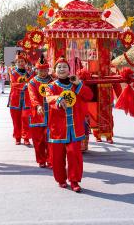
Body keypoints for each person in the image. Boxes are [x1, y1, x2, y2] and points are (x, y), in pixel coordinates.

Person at [46, 57, 93, 192]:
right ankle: (61, 179)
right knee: (57, 156)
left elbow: (89, 96)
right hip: (57, 128)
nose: (62, 69)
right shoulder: (51, 86)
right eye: (59, 67)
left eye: (64, 67)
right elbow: (49, 98)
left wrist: (79, 84)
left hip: (75, 126)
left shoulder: (76, 84)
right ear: (55, 71)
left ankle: (74, 180)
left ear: (69, 69)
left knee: (74, 155)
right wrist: (58, 100)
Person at [28, 55, 53, 168]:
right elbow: (33, 96)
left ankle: (50, 159)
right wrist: (38, 106)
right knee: (38, 139)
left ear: (48, 70)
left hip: (52, 114)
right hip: (37, 114)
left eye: (45, 70)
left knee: (51, 138)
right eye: (40, 70)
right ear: (36, 70)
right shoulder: (32, 82)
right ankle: (41, 159)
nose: (43, 72)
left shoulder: (53, 81)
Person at [8, 52, 32, 145]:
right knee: (16, 119)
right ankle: (17, 137)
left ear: (25, 62)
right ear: (16, 62)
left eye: (22, 61)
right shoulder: (13, 72)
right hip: (15, 98)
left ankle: (26, 137)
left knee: (26, 118)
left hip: (27, 99)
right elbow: (13, 84)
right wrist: (25, 85)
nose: (21, 63)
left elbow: (32, 83)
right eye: (19, 61)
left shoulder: (29, 73)